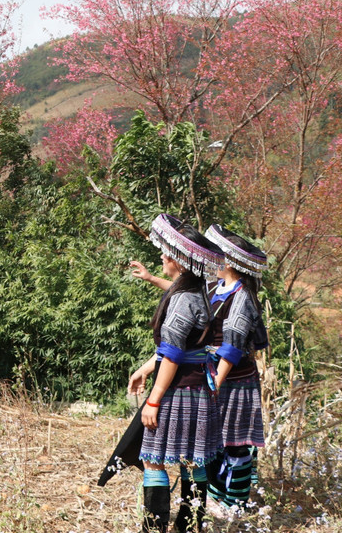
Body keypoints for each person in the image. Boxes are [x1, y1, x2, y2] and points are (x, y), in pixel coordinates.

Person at [129, 214, 225, 532]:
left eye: (166, 251)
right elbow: (181, 348)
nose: (162, 255)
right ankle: (189, 525)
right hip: (200, 391)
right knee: (191, 460)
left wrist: (154, 399)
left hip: (179, 392)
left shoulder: (184, 300)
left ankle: (153, 528)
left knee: (153, 459)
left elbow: (171, 355)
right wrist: (146, 367)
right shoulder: (202, 292)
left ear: (180, 260)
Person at [203, 224, 269, 515]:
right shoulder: (216, 287)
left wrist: (216, 381)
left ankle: (237, 505)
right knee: (216, 441)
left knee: (237, 444)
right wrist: (152, 278)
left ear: (228, 262)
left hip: (235, 380)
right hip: (217, 376)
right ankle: (216, 497)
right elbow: (187, 296)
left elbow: (231, 348)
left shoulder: (242, 298)